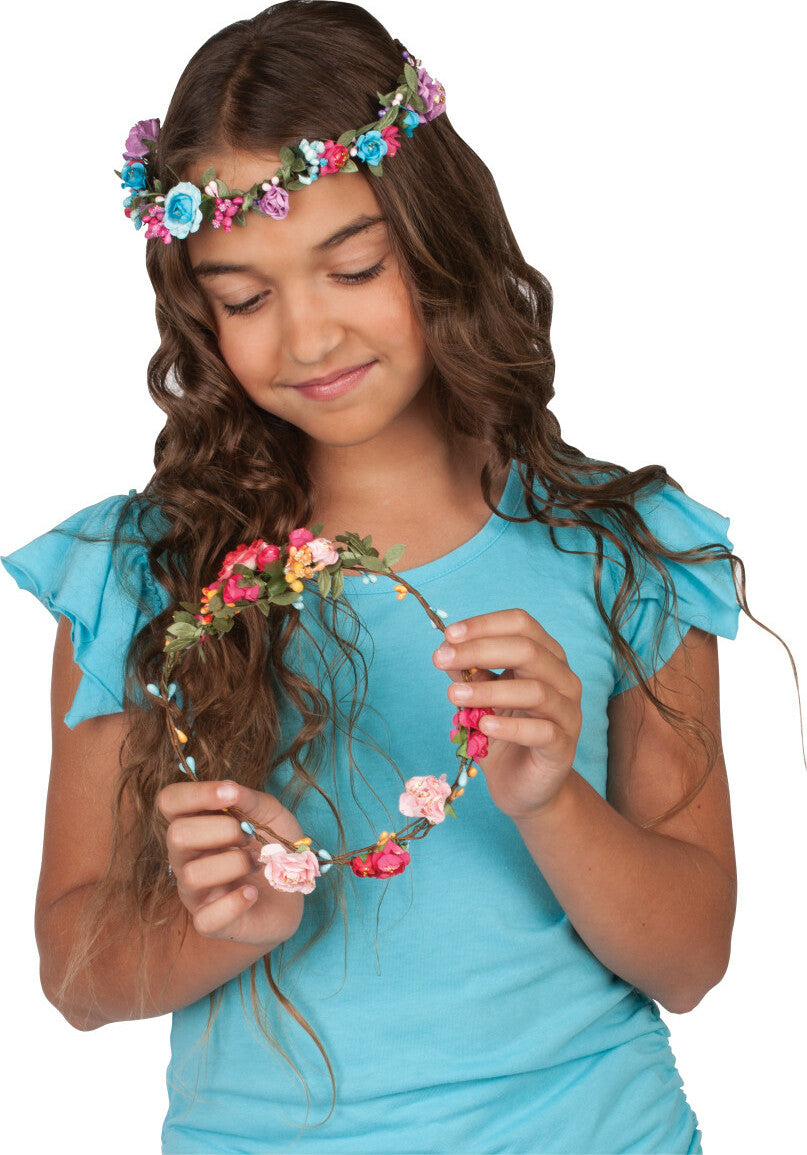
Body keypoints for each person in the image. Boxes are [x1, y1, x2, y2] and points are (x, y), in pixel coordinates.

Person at [0, 3, 799, 1153]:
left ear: (437, 238)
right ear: (197, 308)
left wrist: (550, 799)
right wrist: (226, 927)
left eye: (354, 267)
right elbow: (75, 977)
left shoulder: (627, 551)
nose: (309, 337)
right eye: (244, 297)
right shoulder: (135, 576)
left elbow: (692, 962)